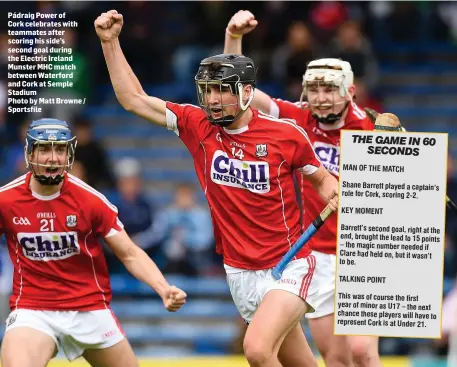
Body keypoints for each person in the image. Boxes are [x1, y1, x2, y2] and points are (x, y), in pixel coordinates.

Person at [95, 10, 339, 367]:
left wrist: (334, 189)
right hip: (239, 271)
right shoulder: (198, 126)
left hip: (290, 265)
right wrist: (109, 42)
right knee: (299, 362)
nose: (212, 100)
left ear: (247, 93)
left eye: (222, 91)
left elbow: (321, 178)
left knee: (256, 350)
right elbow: (133, 98)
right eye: (208, 91)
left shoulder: (285, 135)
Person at [224, 10, 381, 367]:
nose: (321, 98)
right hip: (318, 256)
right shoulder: (297, 118)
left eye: (330, 90)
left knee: (362, 352)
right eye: (314, 89)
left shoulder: (372, 132)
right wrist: (234, 38)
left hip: (367, 250)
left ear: (350, 91)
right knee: (336, 358)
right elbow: (242, 95)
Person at [0, 118, 187, 367]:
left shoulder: (91, 201)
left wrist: (163, 288)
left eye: (60, 149)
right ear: (29, 153)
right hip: (34, 310)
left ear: (70, 154)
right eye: (44, 149)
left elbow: (129, 253)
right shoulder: (6, 201)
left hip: (90, 308)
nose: (52, 157)